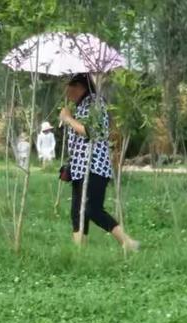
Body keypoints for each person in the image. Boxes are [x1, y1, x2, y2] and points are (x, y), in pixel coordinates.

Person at [59, 74, 139, 251]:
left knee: (92, 209)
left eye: (69, 87)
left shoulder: (95, 103)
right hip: (79, 168)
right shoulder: (81, 106)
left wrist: (68, 119)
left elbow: (90, 132)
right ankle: (80, 252)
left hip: (94, 166)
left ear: (79, 87)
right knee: (77, 213)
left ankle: (128, 242)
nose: (66, 91)